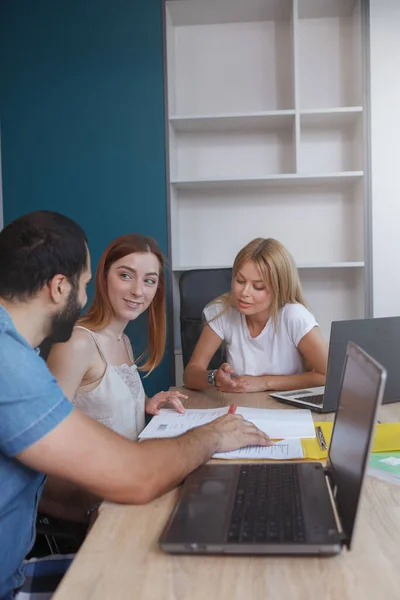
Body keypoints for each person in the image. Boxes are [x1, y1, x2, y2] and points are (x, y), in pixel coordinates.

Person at [0, 211, 271, 599]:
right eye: (86, 283)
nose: (85, 296)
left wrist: (144, 404)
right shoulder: (12, 363)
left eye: (149, 280)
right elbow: (127, 474)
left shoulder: (17, 354)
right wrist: (213, 435)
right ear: (60, 287)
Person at [47, 233, 185, 442]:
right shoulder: (77, 343)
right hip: (91, 473)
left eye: (149, 281)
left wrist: (146, 403)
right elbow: (47, 434)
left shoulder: (124, 341)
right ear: (104, 276)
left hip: (129, 467)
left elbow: (103, 405)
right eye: (126, 276)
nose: (138, 291)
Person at [183, 238, 328, 394]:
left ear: (279, 289)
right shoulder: (222, 311)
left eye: (258, 287)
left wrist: (264, 382)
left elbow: (329, 376)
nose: (244, 293)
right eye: (240, 280)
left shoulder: (295, 316)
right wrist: (214, 377)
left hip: (290, 408)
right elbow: (190, 374)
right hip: (242, 405)